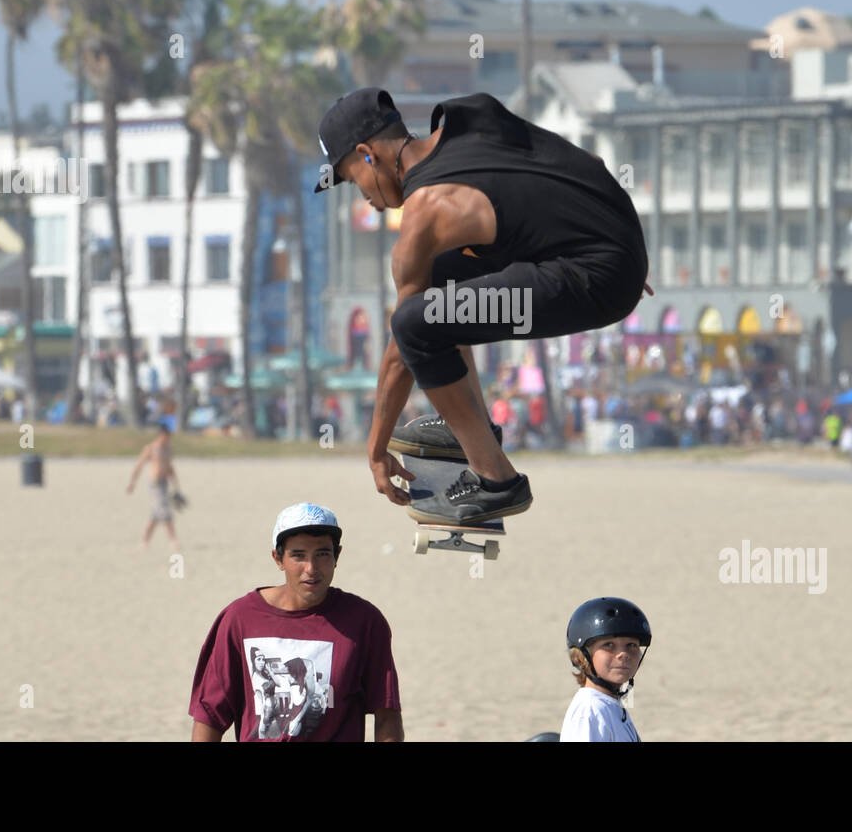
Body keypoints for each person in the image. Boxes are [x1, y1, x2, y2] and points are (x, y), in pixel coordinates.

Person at [315, 88, 649, 524]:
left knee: (415, 323)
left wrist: (376, 449)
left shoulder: (426, 212)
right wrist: (616, 240)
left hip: (596, 279)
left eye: (349, 178)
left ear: (367, 154)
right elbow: (588, 163)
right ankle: (474, 431)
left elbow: (403, 349)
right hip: (612, 249)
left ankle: (498, 483)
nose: (361, 196)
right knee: (442, 283)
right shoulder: (471, 116)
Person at [188, 503, 403, 742]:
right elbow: (209, 715)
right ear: (278, 559)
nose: (311, 569)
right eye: (298, 556)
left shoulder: (364, 621)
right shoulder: (239, 619)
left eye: (322, 554)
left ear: (337, 556)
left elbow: (387, 715)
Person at [560, 597, 652, 742]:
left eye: (631, 645)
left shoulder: (609, 706)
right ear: (581, 656)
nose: (623, 654)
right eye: (608, 644)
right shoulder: (590, 711)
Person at [127, 423, 182, 552]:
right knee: (165, 511)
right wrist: (132, 483)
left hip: (164, 483)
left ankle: (145, 541)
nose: (168, 439)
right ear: (161, 435)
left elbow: (170, 468)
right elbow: (139, 466)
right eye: (166, 436)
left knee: (156, 514)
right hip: (155, 484)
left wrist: (176, 486)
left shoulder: (168, 449)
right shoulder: (151, 448)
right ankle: (173, 540)